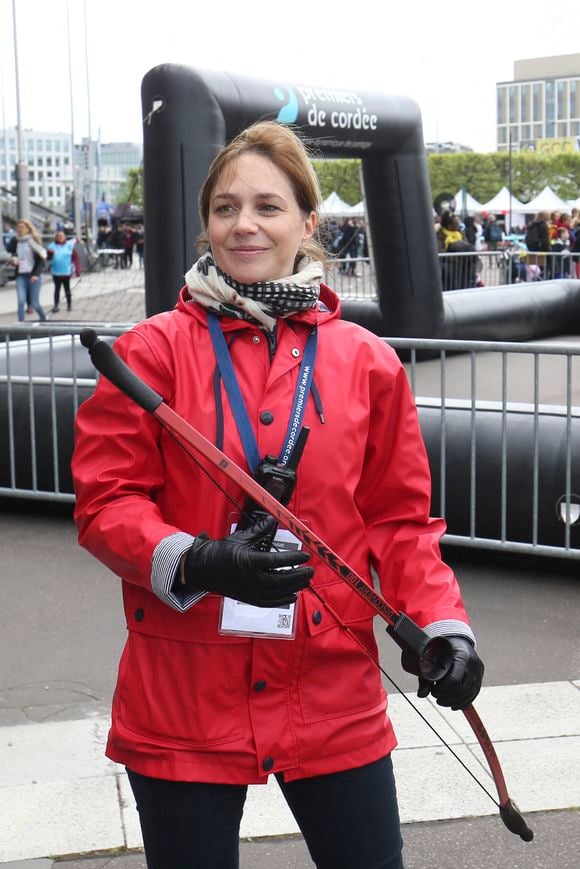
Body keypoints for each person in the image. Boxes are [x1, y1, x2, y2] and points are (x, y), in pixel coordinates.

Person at [71, 121, 484, 869]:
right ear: (207, 223)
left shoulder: (367, 362)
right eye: (225, 207)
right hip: (182, 688)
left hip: (332, 687)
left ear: (307, 221)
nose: (244, 224)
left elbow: (401, 520)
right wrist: (195, 559)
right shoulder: (150, 350)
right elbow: (106, 504)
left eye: (267, 205)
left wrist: (445, 627)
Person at [6, 218, 47, 322]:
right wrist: (13, 260)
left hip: (33, 276)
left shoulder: (33, 241)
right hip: (21, 275)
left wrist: (36, 274)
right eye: (18, 227)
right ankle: (21, 324)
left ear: (28, 229)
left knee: (34, 303)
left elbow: (41, 259)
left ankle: (43, 318)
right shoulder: (16, 240)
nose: (19, 229)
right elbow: (10, 250)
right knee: (21, 301)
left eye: (22, 227)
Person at [47, 230, 80, 313]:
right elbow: (48, 258)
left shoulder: (69, 245)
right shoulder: (51, 246)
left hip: (66, 272)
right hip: (56, 272)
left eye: (62, 236)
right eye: (59, 236)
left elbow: (76, 258)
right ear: (56, 237)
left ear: (65, 237)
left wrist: (77, 270)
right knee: (57, 289)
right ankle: (56, 306)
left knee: (67, 289)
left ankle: (69, 305)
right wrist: (50, 254)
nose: (61, 238)